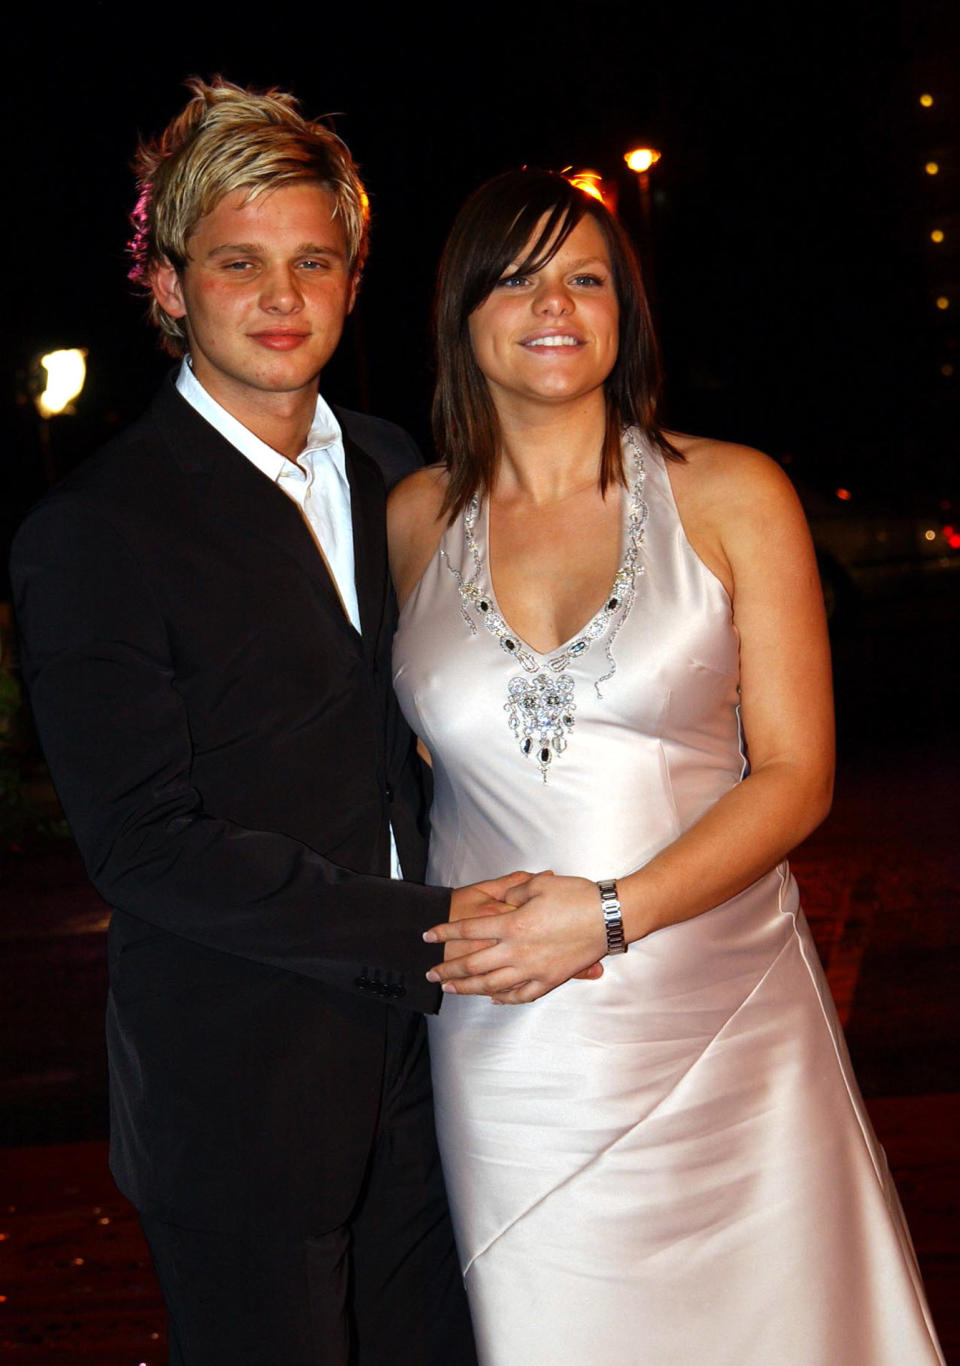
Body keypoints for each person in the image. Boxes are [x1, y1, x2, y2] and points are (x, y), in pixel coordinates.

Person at [388, 169, 944, 1365]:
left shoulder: (735, 492)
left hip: (723, 1010)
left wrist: (604, 914)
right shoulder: (410, 520)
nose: (556, 302)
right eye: (521, 276)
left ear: (624, 314)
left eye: (587, 277)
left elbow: (797, 776)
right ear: (460, 313)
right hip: (508, 1043)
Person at [10, 78, 516, 1366]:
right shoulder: (92, 530)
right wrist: (429, 928)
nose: (283, 299)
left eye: (313, 261)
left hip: (446, 1068)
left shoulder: (407, 471)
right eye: (240, 264)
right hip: (241, 1088)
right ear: (171, 286)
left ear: (353, 278)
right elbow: (145, 842)